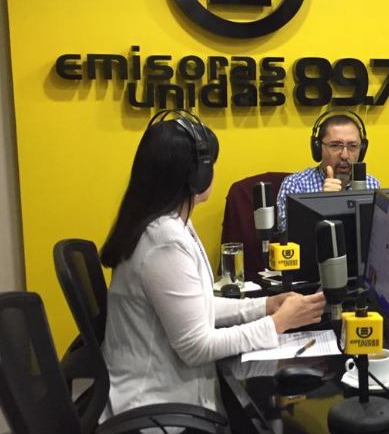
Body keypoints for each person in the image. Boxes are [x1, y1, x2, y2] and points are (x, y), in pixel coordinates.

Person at [99, 109, 326, 419]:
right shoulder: (164, 242)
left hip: (166, 394)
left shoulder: (168, 223)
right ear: (198, 174)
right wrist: (278, 323)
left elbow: (199, 305)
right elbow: (197, 347)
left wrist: (266, 306)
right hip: (160, 411)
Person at [276, 111, 380, 232]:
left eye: (352, 146)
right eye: (335, 145)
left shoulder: (371, 184)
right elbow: (287, 235)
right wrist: (324, 204)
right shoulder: (296, 185)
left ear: (361, 150)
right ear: (318, 148)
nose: (345, 155)